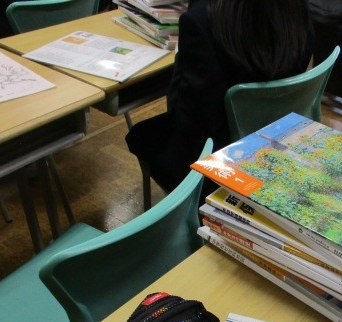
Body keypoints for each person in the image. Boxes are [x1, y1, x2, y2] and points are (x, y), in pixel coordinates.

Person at [125, 0, 315, 198]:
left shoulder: (201, 19)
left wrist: (181, 66)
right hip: (281, 144)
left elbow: (192, 123)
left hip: (217, 167)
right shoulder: (296, 9)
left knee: (142, 136)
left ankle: (185, 208)